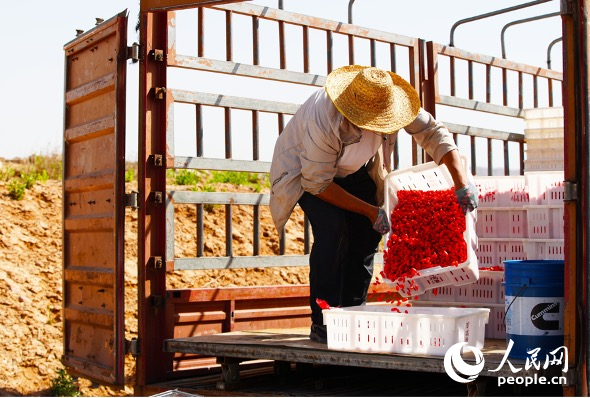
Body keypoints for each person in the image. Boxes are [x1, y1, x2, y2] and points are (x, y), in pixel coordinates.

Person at [269, 65, 478, 344]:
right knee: (334, 230)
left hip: (355, 169)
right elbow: (317, 183)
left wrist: (460, 182)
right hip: (307, 174)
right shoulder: (323, 118)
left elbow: (433, 132)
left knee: (367, 236)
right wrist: (370, 211)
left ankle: (353, 313)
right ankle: (324, 320)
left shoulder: (395, 103)